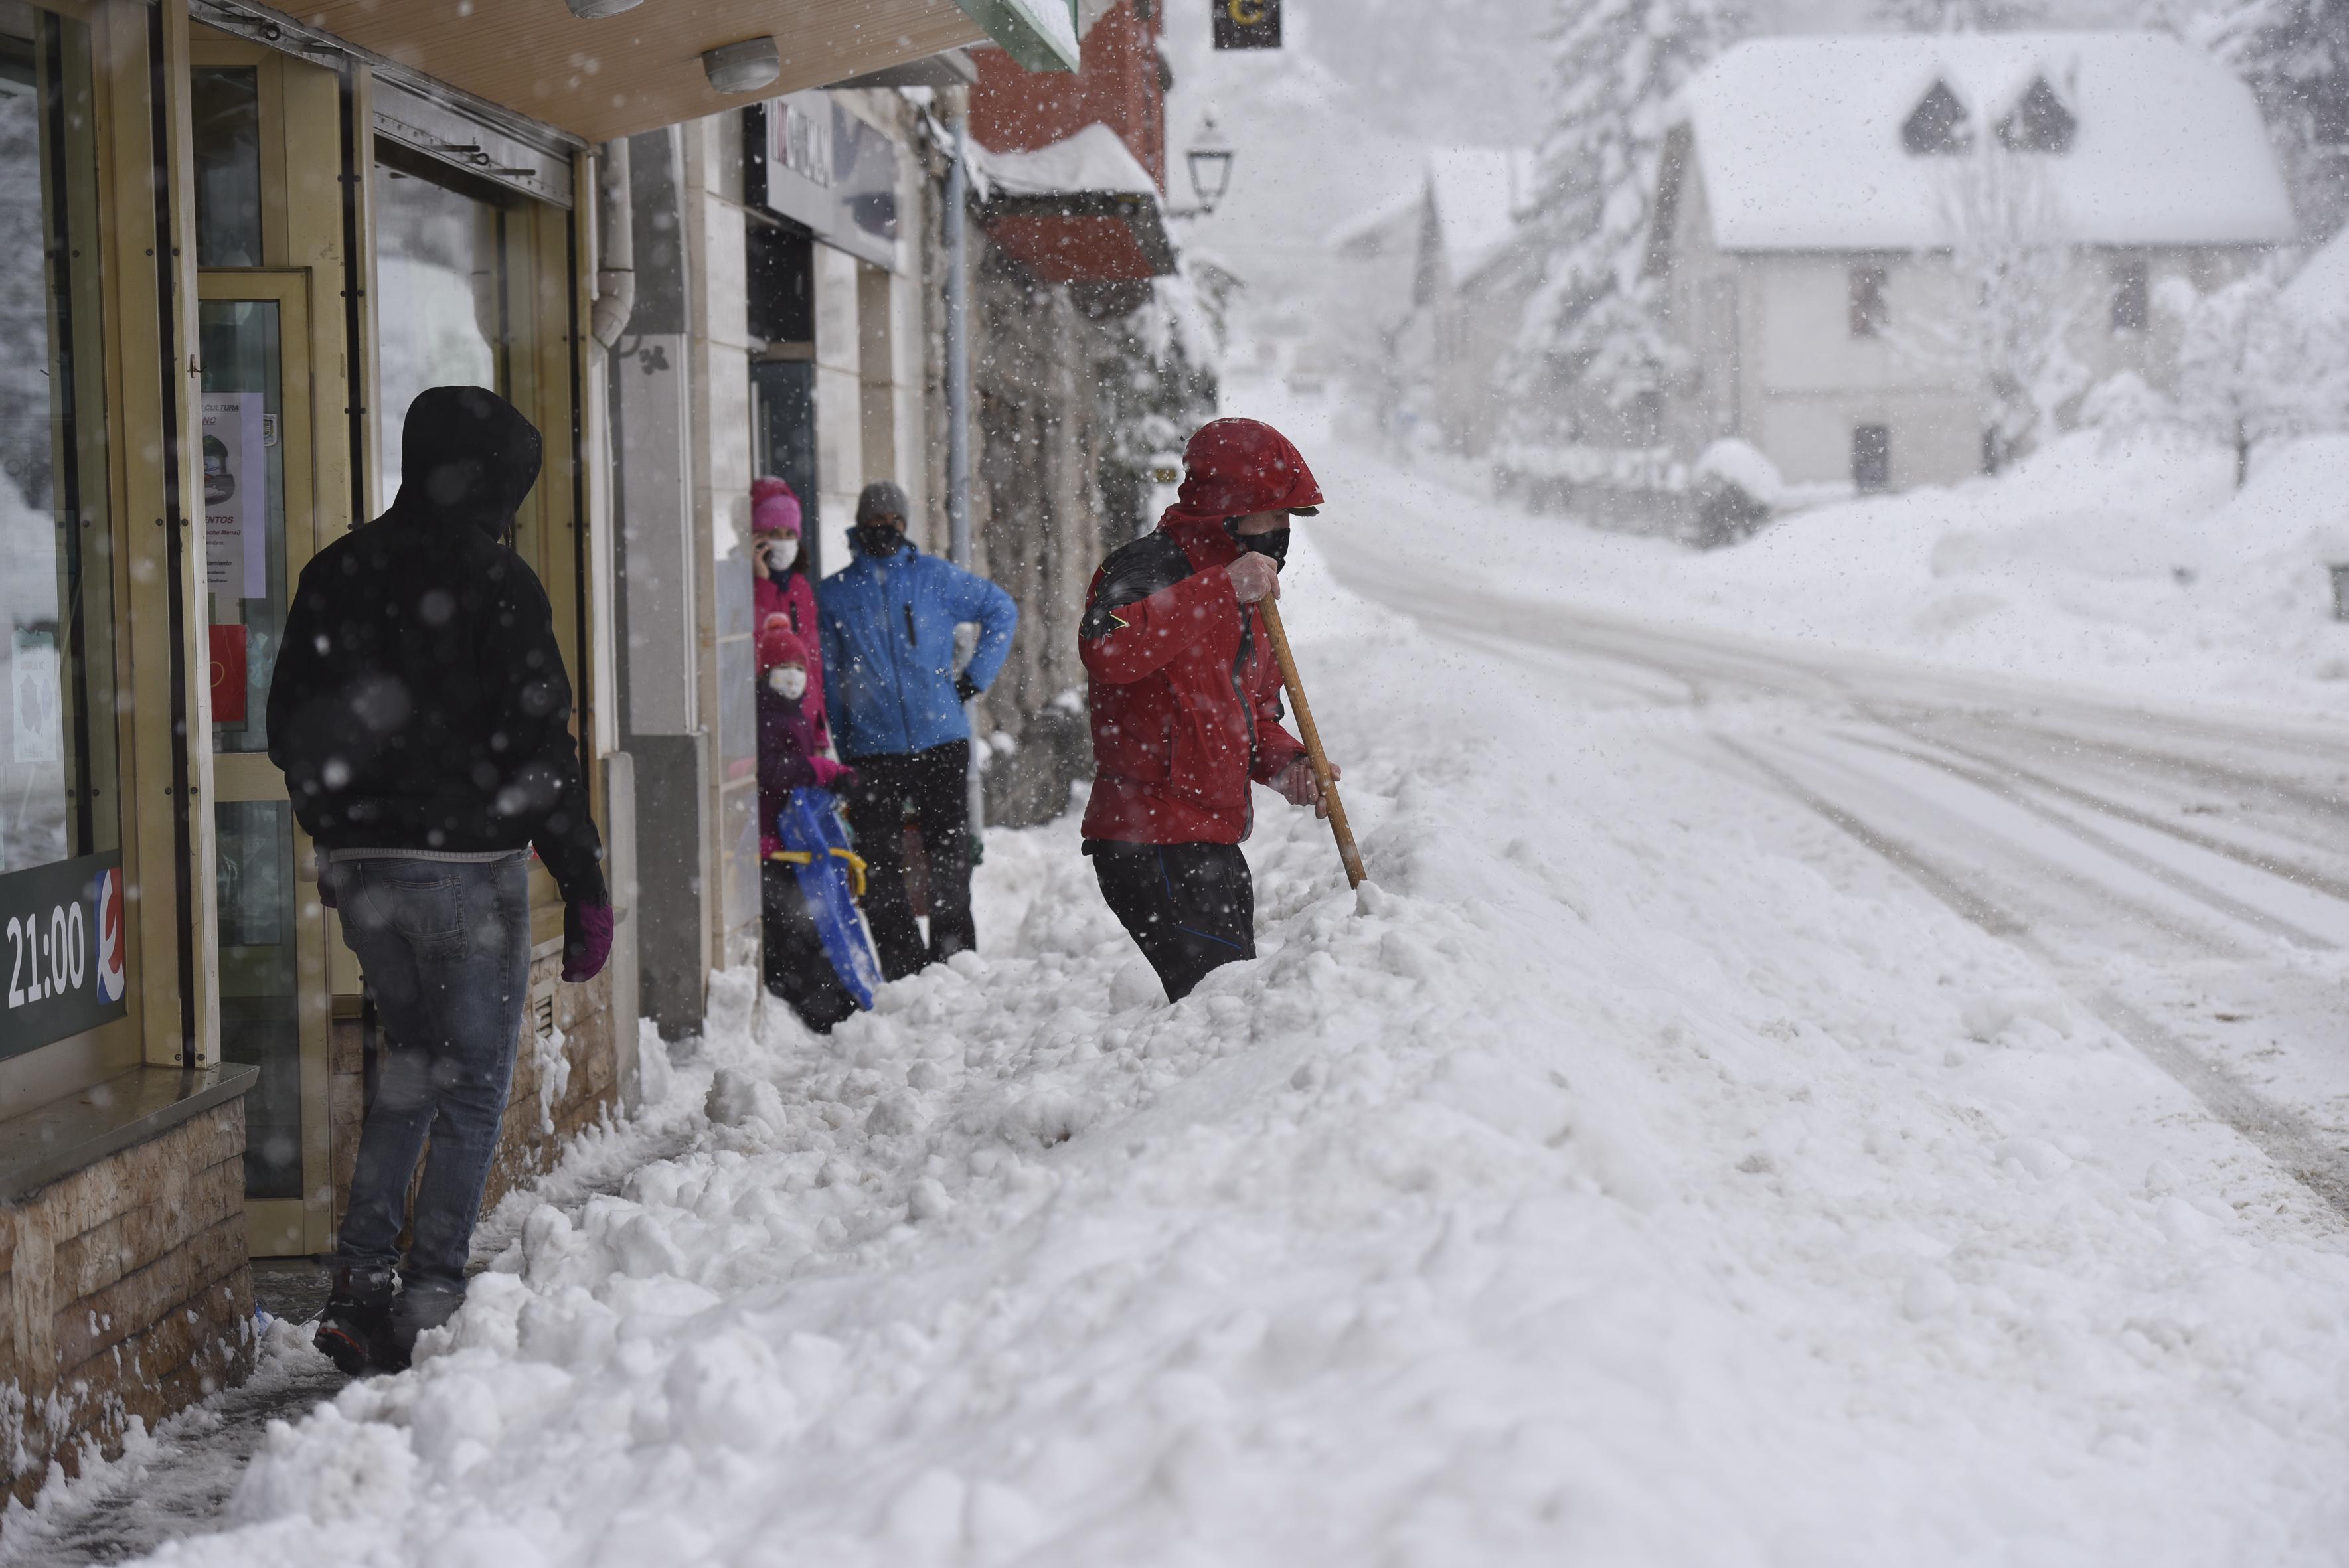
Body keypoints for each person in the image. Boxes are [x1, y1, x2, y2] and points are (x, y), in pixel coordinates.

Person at [266, 385, 611, 1375]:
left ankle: (360, 1283)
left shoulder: (335, 571)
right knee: (470, 1089)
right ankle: (427, 1298)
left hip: (367, 873)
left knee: (410, 1070)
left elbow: (291, 730)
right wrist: (581, 880)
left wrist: (339, 838)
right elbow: (540, 747)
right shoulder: (497, 579)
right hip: (468, 872)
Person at [1076, 418, 1338, 1002]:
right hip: (1149, 843)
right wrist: (1221, 589)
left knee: (1222, 1011)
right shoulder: (1148, 569)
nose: (1277, 535)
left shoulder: (1250, 597)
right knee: (1219, 1008)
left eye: (1285, 520)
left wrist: (1287, 764)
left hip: (1211, 843)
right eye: (1267, 516)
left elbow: (1253, 715)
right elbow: (1107, 647)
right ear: (1224, 511)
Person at [816, 480, 1017, 978]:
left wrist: (974, 681)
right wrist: (845, 747)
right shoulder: (836, 596)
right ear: (859, 525)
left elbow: (1001, 610)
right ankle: (905, 972)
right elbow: (828, 680)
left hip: (941, 742)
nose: (886, 529)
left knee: (948, 859)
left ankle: (954, 962)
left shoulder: (935, 578)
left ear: (905, 525)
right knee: (881, 869)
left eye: (895, 521)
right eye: (876, 521)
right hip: (872, 752)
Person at [756, 619, 861, 1032]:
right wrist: (822, 770)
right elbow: (774, 772)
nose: (794, 676)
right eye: (784, 666)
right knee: (798, 932)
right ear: (767, 671)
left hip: (790, 842)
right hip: (774, 846)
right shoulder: (769, 714)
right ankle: (822, 1012)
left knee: (805, 928)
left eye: (800, 667)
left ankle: (828, 1006)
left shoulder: (788, 713)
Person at [750, 476, 827, 742]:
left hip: (802, 722)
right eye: (774, 534)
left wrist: (819, 732)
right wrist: (762, 584)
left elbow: (812, 663)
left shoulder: (800, 587)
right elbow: (754, 643)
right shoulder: (741, 585)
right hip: (764, 725)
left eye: (789, 534)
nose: (783, 542)